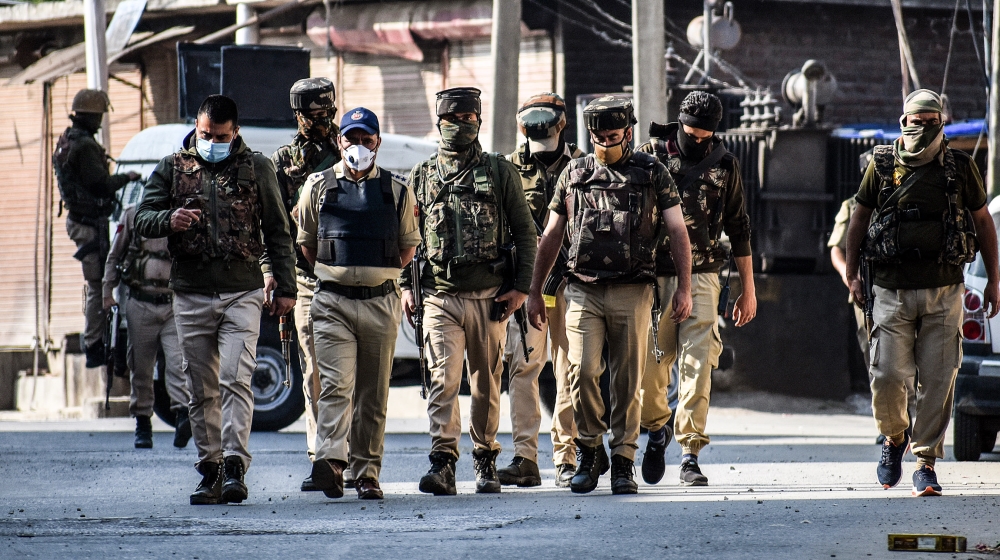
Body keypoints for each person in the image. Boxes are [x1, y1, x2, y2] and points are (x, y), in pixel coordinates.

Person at [526, 95, 693, 495]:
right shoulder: (574, 172)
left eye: (613, 136)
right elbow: (550, 235)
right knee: (580, 372)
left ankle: (622, 460)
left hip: (633, 290)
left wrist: (684, 287)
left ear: (629, 133)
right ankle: (588, 451)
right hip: (582, 289)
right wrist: (534, 291)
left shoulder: (652, 173)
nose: (604, 144)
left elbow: (677, 231)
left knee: (627, 381)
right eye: (597, 137)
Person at [135, 94, 297, 505]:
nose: (212, 141)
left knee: (236, 378)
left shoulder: (257, 167)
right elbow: (142, 217)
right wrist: (168, 220)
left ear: (235, 132)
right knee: (200, 386)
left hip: (242, 292)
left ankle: (235, 466)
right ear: (196, 125)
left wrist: (287, 287)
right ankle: (210, 468)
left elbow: (278, 232)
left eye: (221, 136)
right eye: (206, 134)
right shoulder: (173, 167)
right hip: (189, 293)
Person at [845, 89, 999, 497]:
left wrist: (995, 280)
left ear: (941, 124)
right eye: (917, 121)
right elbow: (858, 220)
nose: (924, 129)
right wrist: (852, 275)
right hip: (890, 289)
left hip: (944, 290)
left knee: (939, 379)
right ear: (903, 121)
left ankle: (926, 461)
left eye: (932, 123)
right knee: (889, 376)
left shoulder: (959, 167)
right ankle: (895, 438)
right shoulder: (881, 165)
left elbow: (984, 224)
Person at [400, 87, 537, 495]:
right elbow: (408, 238)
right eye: (452, 119)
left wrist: (520, 289)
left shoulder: (499, 171)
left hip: (489, 299)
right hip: (439, 298)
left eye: (469, 118)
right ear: (439, 122)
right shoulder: (421, 175)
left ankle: (485, 458)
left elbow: (525, 235)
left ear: (478, 120)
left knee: (486, 385)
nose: (461, 126)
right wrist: (408, 287)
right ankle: (442, 461)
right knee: (442, 380)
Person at [296, 107, 420, 500]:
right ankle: (332, 462)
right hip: (332, 303)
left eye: (368, 140)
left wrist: (376, 274)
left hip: (380, 304)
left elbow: (408, 247)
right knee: (334, 385)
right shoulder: (317, 187)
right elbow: (306, 243)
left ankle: (367, 472)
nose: (359, 147)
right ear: (340, 141)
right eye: (352, 139)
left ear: (378, 143)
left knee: (373, 393)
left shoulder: (397, 190)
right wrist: (340, 274)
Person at [637, 91, 756, 487]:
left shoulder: (724, 164)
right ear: (679, 123)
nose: (699, 141)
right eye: (692, 133)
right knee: (653, 368)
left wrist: (748, 289)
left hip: (704, 274)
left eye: (707, 135)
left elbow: (739, 227)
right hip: (655, 276)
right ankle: (656, 430)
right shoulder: (649, 155)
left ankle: (690, 452)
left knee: (698, 365)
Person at [498, 93, 585, 488]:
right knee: (523, 368)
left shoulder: (584, 164)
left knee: (569, 370)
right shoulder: (508, 169)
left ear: (561, 125)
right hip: (527, 285)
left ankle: (566, 457)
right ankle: (525, 457)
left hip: (571, 283)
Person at [271, 77, 342, 492]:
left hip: (350, 274)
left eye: (326, 114)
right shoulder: (284, 161)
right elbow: (276, 228)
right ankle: (321, 458)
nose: (320, 122)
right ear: (297, 115)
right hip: (308, 279)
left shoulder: (351, 147)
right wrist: (278, 280)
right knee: (314, 372)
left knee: (348, 376)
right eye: (311, 115)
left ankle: (347, 455)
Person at [52, 89, 140, 367]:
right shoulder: (85, 146)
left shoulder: (69, 138)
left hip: (81, 220)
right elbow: (100, 185)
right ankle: (93, 346)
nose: (101, 121)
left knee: (97, 283)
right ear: (91, 115)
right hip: (88, 223)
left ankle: (96, 342)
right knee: (97, 284)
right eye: (99, 115)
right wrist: (127, 177)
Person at [103, 204, 192, 450]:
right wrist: (106, 291)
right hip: (139, 302)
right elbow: (115, 254)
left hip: (173, 302)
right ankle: (143, 423)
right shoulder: (133, 215)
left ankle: (183, 415)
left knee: (178, 362)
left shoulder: (182, 213)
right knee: (141, 366)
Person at [829, 195, 915, 445]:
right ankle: (889, 422)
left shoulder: (906, 197)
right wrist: (851, 277)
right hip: (867, 293)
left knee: (907, 357)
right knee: (876, 357)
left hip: (901, 288)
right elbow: (836, 248)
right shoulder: (853, 205)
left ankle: (910, 418)